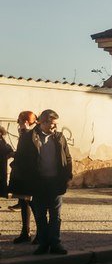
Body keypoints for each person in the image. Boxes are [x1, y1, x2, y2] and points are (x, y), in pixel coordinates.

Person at [11, 109, 72, 255]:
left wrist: (67, 177)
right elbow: (20, 159)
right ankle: (43, 244)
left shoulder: (59, 137)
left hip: (55, 183)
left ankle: (56, 244)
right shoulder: (29, 138)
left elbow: (67, 158)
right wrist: (25, 181)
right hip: (38, 183)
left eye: (56, 124)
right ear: (42, 123)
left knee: (55, 215)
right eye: (52, 124)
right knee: (40, 215)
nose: (54, 127)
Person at [8, 111, 38, 244]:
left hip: (29, 175)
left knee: (34, 204)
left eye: (19, 121)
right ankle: (25, 232)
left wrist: (16, 156)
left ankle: (40, 234)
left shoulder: (31, 134)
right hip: (23, 174)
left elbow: (31, 154)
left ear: (26, 121)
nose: (18, 123)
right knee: (25, 203)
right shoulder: (25, 134)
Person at [0, 126, 14, 200]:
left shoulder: (3, 143)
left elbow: (10, 152)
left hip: (2, 166)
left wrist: (7, 156)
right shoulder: (4, 143)